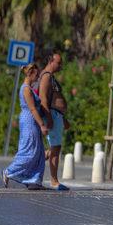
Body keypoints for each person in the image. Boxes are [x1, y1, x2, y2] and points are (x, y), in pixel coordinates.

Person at [2, 63, 48, 189]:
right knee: (30, 151)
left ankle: (34, 180)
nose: (38, 77)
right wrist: (42, 125)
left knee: (38, 152)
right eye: (37, 75)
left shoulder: (29, 88)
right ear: (30, 73)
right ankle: (9, 171)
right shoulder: (26, 89)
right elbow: (32, 109)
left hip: (32, 121)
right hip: (29, 121)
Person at [38, 52, 69, 191]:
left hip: (58, 116)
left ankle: (33, 162)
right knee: (55, 149)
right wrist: (49, 118)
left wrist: (64, 118)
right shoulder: (45, 77)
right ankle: (54, 181)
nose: (61, 65)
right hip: (53, 116)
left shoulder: (51, 77)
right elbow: (43, 98)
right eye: (58, 62)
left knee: (54, 148)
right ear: (51, 61)